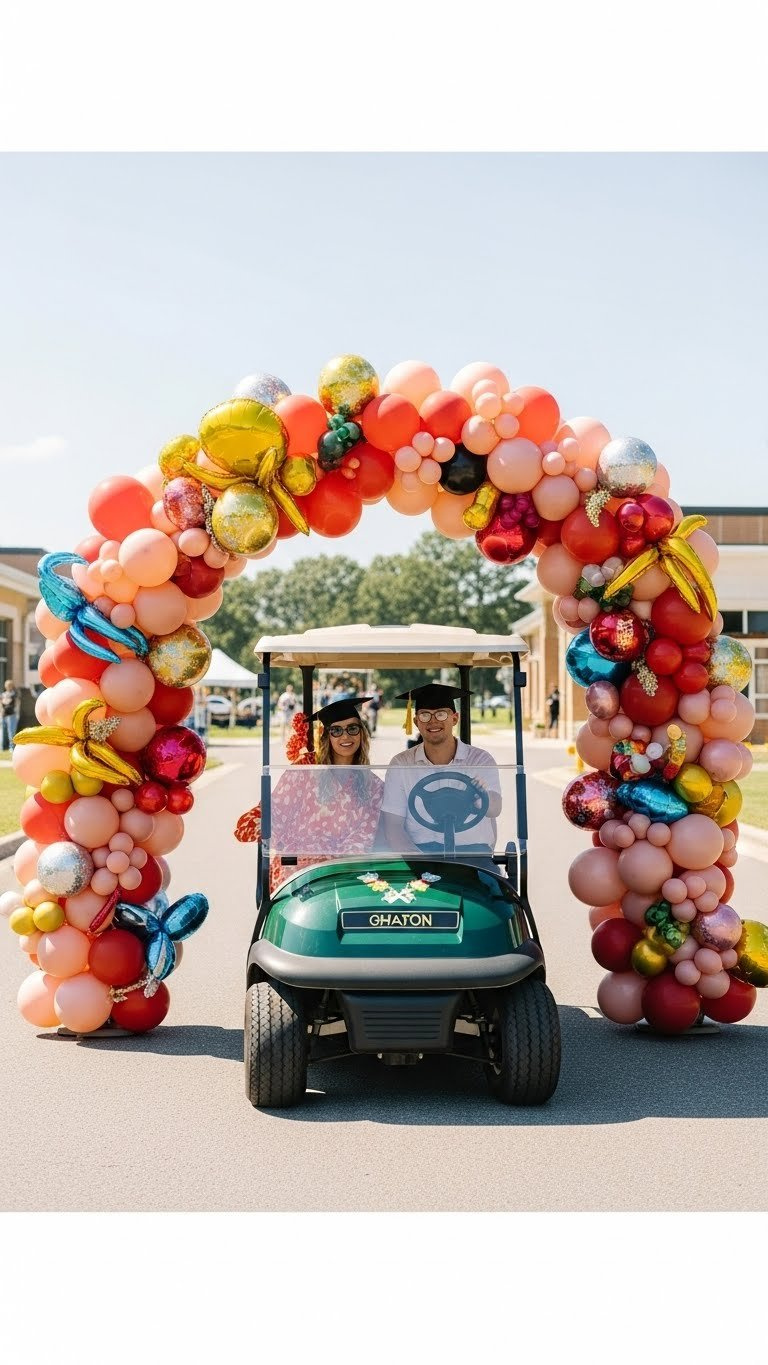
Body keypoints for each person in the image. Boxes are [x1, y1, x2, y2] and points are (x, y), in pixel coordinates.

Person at [266, 697, 383, 894]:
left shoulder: (374, 786)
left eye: (352, 729)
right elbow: (276, 816)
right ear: (326, 736)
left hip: (345, 869)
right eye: (336, 730)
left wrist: (333, 862)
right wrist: (294, 855)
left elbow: (365, 834)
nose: (345, 736)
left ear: (362, 734)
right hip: (296, 869)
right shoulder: (303, 774)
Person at [381, 684, 502, 858]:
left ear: (454, 718)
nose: (433, 721)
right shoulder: (401, 764)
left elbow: (495, 808)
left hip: (472, 854)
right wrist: (421, 863)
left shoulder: (480, 760)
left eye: (441, 713)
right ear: (416, 722)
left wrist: (480, 797)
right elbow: (393, 828)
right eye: (424, 715)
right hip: (420, 854)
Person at [1, 680, 21, 751]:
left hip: (12, 715)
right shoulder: (3, 695)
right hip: (3, 716)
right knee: (2, 732)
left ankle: (11, 747)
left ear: (12, 686)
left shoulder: (14, 695)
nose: (8, 687)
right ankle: (2, 747)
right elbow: (1, 705)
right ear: (5, 686)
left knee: (11, 732)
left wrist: (17, 715)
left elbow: (17, 705)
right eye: (7, 685)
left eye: (10, 685)